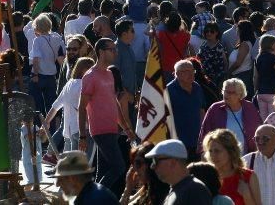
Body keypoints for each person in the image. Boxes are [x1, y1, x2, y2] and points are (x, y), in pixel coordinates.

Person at [79, 39, 138, 188]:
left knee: (102, 171)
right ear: (101, 52)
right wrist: (82, 136)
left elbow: (114, 103)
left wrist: (126, 128)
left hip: (113, 130)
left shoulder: (110, 74)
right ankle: (94, 198)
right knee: (119, 167)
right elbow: (81, 107)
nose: (115, 52)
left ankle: (96, 198)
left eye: (115, 49)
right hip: (100, 131)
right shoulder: (90, 76)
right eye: (111, 49)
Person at [198, 78, 262, 154]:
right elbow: (205, 131)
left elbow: (259, 130)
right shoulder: (215, 108)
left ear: (240, 95)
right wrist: (203, 152)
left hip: (246, 156)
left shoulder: (249, 107)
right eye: (225, 91)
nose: (226, 95)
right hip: (220, 157)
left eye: (231, 92)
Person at [46, 57, 94, 153]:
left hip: (69, 130)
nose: (92, 71)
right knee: (83, 163)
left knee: (69, 163)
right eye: (91, 68)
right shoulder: (85, 84)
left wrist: (46, 122)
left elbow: (55, 106)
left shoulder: (69, 84)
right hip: (83, 130)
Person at [203, 128, 261, 205]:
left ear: (231, 152)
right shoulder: (205, 177)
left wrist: (247, 195)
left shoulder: (248, 177)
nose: (213, 155)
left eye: (217, 151)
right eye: (210, 151)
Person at [147, 139, 212, 203]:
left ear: (172, 163)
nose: (152, 166)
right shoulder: (180, 190)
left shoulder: (195, 190)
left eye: (155, 161)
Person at [167, 59, 206, 160]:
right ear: (178, 74)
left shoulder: (197, 87)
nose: (192, 74)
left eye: (193, 71)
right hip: (178, 141)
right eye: (187, 72)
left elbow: (201, 110)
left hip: (196, 140)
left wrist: (203, 132)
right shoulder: (168, 91)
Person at [254, 34, 275, 121]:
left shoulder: (258, 57)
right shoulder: (273, 58)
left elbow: (255, 76)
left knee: (263, 118)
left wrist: (256, 90)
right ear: (270, 44)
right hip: (272, 91)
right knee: (273, 119)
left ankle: (263, 134)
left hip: (261, 92)